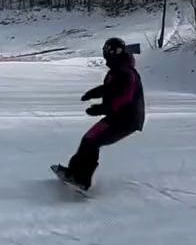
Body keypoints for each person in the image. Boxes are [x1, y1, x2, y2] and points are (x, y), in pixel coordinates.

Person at [55, 37, 145, 190]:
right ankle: (74, 173)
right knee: (89, 140)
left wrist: (103, 109)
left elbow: (125, 97)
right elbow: (111, 89)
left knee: (91, 141)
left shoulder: (125, 72)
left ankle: (81, 179)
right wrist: (94, 93)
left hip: (126, 119)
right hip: (119, 117)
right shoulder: (119, 69)